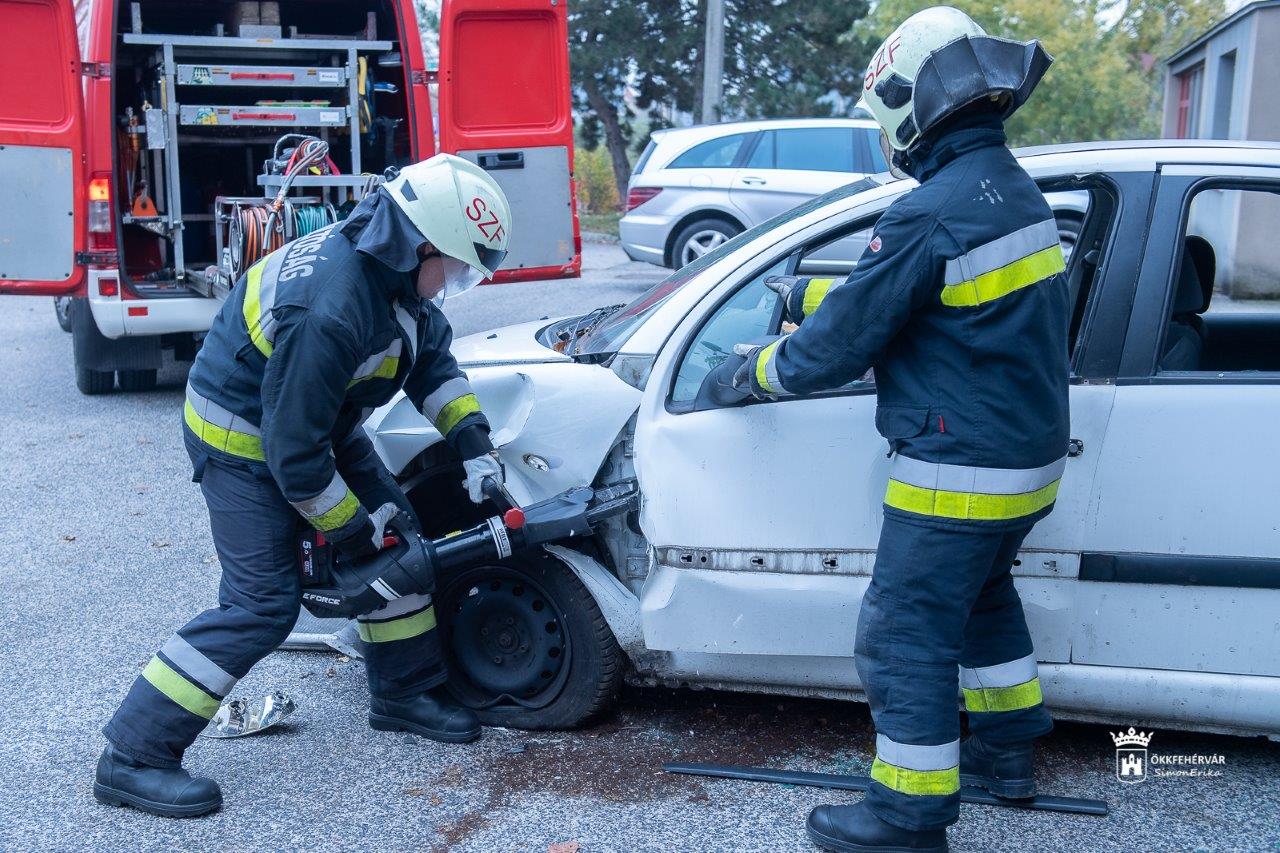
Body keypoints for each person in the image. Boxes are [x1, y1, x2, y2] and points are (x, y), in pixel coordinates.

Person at [732, 9, 1067, 851]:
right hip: (1027, 461)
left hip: (960, 467)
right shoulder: (1008, 187)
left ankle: (906, 816)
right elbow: (925, 299)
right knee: (984, 598)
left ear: (907, 103)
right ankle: (1008, 751)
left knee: (903, 631)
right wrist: (809, 295)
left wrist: (751, 372)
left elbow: (833, 350)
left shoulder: (930, 209)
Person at [95, 153, 512, 818]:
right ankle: (134, 755)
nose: (453, 284)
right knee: (262, 604)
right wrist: (353, 530)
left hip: (316, 425)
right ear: (423, 245)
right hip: (243, 441)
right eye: (457, 268)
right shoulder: (332, 303)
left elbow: (431, 362)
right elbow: (294, 458)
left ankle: (404, 693)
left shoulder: (394, 274)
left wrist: (473, 444)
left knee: (402, 544)